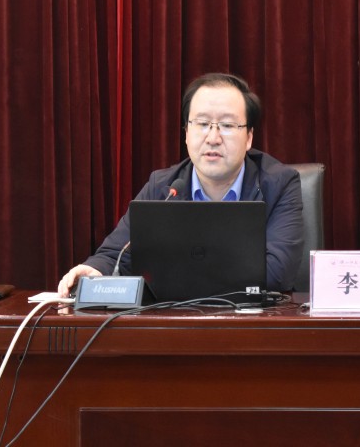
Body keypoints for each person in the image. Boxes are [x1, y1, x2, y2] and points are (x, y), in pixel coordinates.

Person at [58, 72, 304, 298]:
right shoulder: (164, 187)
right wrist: (95, 270)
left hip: (252, 323)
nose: (213, 138)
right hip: (175, 322)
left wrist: (178, 272)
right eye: (202, 124)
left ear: (249, 137)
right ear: (186, 133)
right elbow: (116, 254)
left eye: (228, 126)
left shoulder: (279, 184)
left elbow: (277, 272)